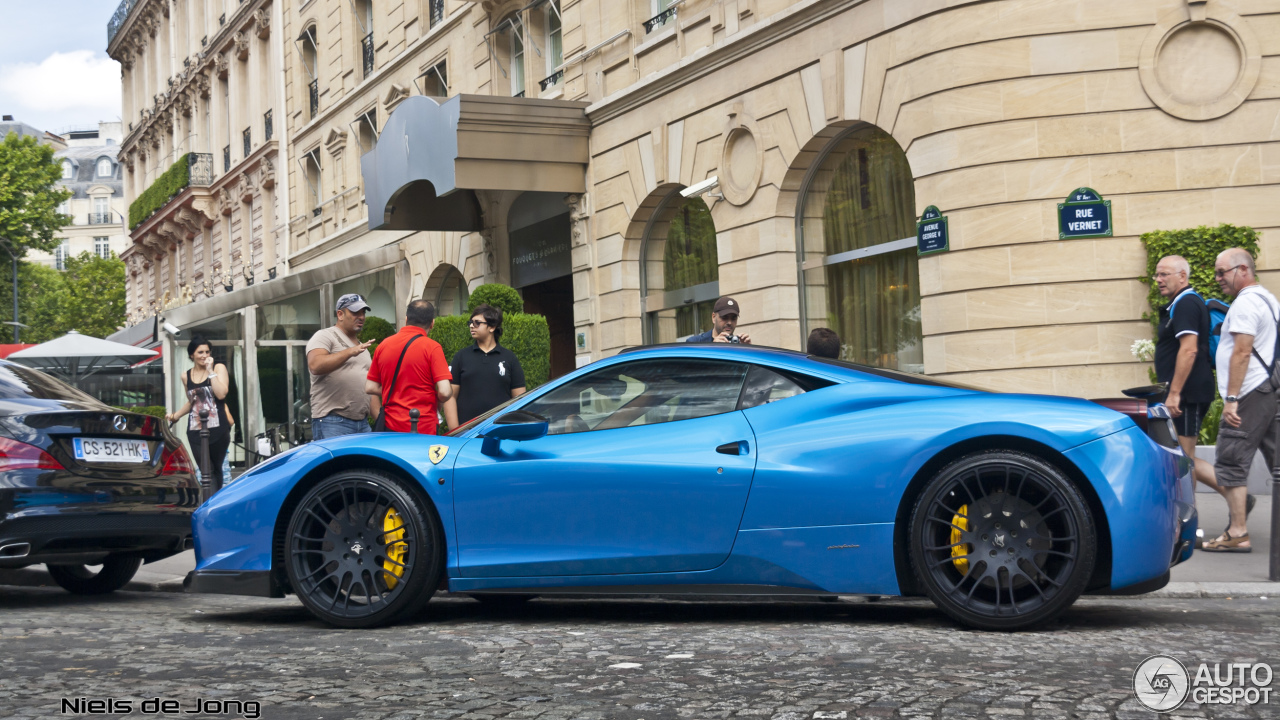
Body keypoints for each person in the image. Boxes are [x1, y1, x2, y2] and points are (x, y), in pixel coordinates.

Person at [1203, 248, 1273, 552]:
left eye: (1222, 272)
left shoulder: (1245, 304)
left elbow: (1242, 352)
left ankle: (1237, 532)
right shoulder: (1268, 298)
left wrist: (1231, 399)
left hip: (1249, 392)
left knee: (1231, 459)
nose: (1218, 278)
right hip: (1268, 388)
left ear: (1242, 269)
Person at [1153, 255, 1225, 501]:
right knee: (1183, 457)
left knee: (1183, 461)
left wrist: (1174, 393)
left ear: (1182, 276)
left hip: (1187, 394)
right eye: (1157, 274)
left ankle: (1188, 525)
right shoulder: (1180, 303)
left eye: (1164, 274)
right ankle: (1237, 496)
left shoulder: (1186, 303)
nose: (1159, 280)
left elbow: (1189, 349)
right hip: (1184, 393)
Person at [366, 300, 453, 434]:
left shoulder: (383, 345)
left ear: (406, 319)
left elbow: (370, 387)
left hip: (390, 426)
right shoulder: (432, 347)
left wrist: (397, 390)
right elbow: (445, 392)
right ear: (432, 323)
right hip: (423, 426)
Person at [442, 303, 526, 429]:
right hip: (467, 434)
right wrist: (456, 431)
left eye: (477, 323)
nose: (471, 326)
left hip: (500, 432)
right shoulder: (461, 357)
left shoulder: (509, 358)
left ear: (492, 327)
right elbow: (450, 397)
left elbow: (519, 400)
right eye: (470, 322)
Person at [306, 293, 376, 439]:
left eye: (363, 312)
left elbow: (369, 389)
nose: (361, 317)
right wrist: (350, 352)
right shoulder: (325, 335)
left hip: (362, 424)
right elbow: (315, 365)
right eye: (355, 312)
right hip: (332, 421)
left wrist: (382, 421)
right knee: (337, 463)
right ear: (340, 314)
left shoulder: (362, 348)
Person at [166, 336, 231, 489]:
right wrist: (175, 416)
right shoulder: (186, 376)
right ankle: (209, 503)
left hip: (218, 428)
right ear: (191, 355)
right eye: (200, 352)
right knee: (205, 470)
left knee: (216, 469)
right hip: (195, 428)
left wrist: (210, 371)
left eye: (207, 352)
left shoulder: (218, 368)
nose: (204, 355)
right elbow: (193, 402)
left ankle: (212, 504)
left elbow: (221, 394)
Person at [685, 297, 752, 344]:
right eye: (724, 317)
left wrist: (748, 351)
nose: (729, 322)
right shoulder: (695, 343)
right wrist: (712, 348)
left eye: (733, 318)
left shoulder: (738, 345)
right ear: (714, 317)